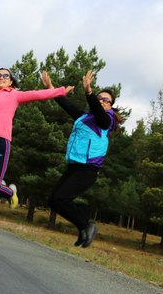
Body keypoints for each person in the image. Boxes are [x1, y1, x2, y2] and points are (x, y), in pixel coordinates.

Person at [0, 44, 68, 207]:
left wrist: (60, 91)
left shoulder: (15, 96)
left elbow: (37, 94)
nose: (1, 77)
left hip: (0, 142)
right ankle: (0, 187)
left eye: (5, 76)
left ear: (11, 81)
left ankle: (10, 192)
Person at [41, 69, 121, 248]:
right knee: (54, 201)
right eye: (100, 98)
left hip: (88, 169)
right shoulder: (85, 117)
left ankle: (86, 225)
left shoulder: (106, 120)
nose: (102, 101)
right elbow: (66, 104)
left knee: (60, 199)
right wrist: (51, 88)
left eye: (106, 100)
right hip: (74, 166)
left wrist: (89, 92)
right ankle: (83, 228)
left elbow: (99, 113)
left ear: (111, 106)